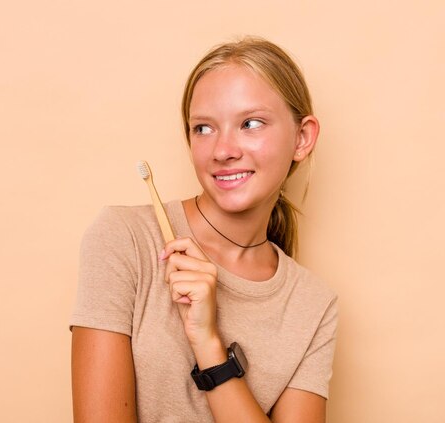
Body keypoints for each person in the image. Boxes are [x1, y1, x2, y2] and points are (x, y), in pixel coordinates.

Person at [70, 36, 338, 423]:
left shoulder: (313, 305)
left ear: (302, 138)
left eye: (250, 123)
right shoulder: (124, 239)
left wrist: (208, 344)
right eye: (203, 128)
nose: (223, 150)